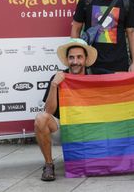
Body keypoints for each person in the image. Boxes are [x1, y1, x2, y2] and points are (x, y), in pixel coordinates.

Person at [34, 38, 110, 181]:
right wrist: (54, 85)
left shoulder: (96, 75)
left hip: (90, 130)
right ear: (67, 60)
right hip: (64, 128)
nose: (75, 61)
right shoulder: (58, 77)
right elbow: (48, 112)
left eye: (79, 57)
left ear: (86, 59)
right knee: (41, 118)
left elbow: (119, 78)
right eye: (71, 57)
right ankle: (49, 165)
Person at [71, 0, 134, 72]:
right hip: (91, 64)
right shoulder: (87, 0)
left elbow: (131, 32)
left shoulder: (125, 3)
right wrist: (77, 58)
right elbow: (76, 27)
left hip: (119, 64)